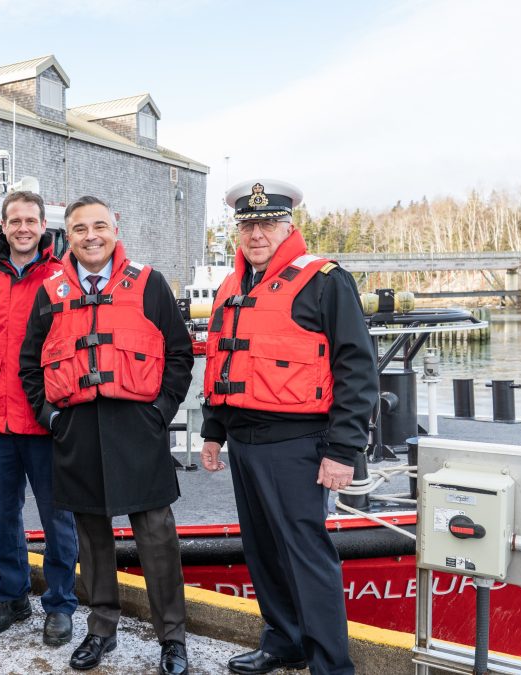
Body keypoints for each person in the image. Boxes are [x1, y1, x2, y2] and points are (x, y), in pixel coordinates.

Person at [199, 180, 377, 675]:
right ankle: (284, 641)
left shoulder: (324, 280)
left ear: (288, 226)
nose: (256, 233)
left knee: (306, 555)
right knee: (262, 550)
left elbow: (356, 369)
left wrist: (343, 451)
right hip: (244, 442)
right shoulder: (232, 286)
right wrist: (213, 431)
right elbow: (222, 363)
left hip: (298, 443)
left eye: (267, 224)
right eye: (248, 224)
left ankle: (330, 664)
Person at [20, 196, 193, 675]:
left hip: (138, 428)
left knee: (157, 537)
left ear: (115, 229)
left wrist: (160, 412)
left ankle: (172, 638)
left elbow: (179, 354)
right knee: (91, 538)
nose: (90, 235)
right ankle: (101, 630)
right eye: (79, 228)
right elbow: (30, 364)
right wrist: (51, 418)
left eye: (99, 225)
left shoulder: (149, 283)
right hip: (77, 429)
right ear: (67, 236)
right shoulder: (51, 290)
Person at [0, 191, 79, 644]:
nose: (23, 228)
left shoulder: (63, 278)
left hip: (47, 423)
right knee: (4, 516)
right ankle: (12, 594)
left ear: (44, 226)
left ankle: (61, 604)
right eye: (14, 220)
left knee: (58, 518)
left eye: (31, 220)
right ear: (2, 227)